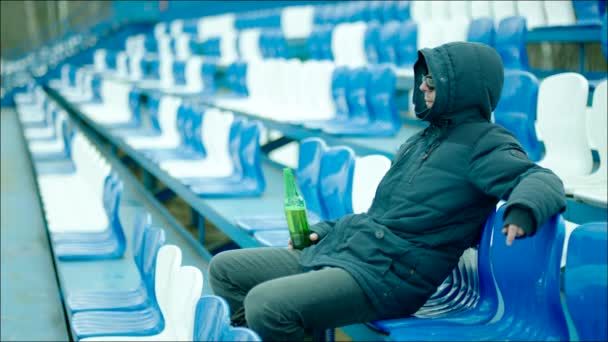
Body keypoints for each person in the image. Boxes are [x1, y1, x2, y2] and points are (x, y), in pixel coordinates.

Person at [209, 42, 566, 341]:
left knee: (267, 305)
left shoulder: (487, 144)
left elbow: (541, 179)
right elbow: (380, 215)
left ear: (463, 86)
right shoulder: (419, 140)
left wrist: (523, 209)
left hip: (391, 277)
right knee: (225, 268)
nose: (423, 88)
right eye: (423, 79)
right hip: (353, 251)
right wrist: (327, 230)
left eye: (433, 80)